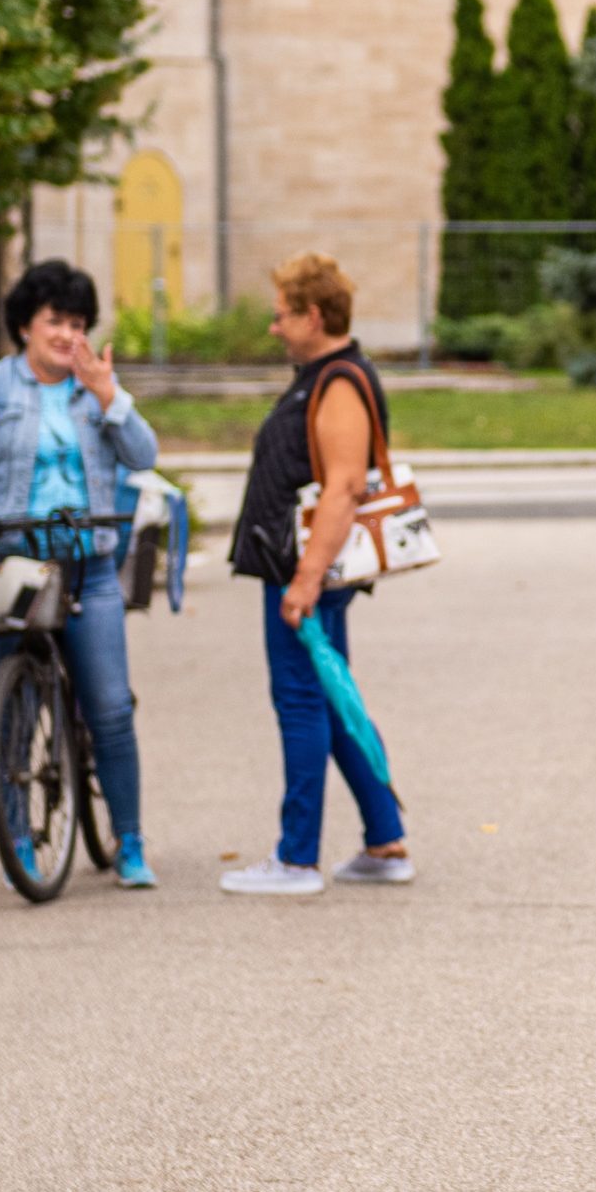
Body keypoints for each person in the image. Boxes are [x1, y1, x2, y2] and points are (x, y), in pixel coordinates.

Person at [0, 261, 159, 888]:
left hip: (90, 564)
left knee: (109, 708)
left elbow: (145, 455)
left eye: (77, 324)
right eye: (54, 321)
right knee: (14, 713)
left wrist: (109, 395)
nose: (66, 334)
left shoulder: (94, 387)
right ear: (25, 323)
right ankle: (20, 841)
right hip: (14, 562)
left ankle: (129, 839)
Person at [222, 251, 414, 895]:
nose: (273, 328)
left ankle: (296, 858)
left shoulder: (338, 382)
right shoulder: (325, 374)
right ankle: (384, 842)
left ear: (312, 315)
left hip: (305, 576)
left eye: (281, 316)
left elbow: (343, 489)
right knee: (332, 701)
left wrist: (303, 582)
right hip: (303, 572)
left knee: (301, 701)